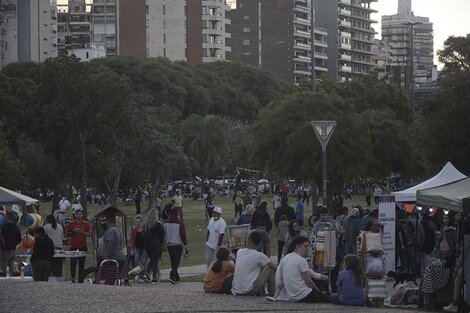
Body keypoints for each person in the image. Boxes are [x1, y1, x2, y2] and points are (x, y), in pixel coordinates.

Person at [275, 236, 330, 303]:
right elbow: (309, 282)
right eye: (306, 246)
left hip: (290, 295)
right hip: (302, 295)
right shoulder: (301, 260)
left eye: (308, 246)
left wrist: (275, 297)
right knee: (331, 299)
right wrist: (319, 293)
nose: (308, 249)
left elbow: (281, 282)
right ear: (297, 247)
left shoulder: (285, 258)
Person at [231, 231, 277, 296]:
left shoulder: (240, 251)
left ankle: (262, 291)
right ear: (260, 243)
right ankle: (273, 294)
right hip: (248, 290)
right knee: (270, 269)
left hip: (236, 289)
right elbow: (274, 267)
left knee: (259, 266)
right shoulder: (259, 255)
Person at [65, 209, 91, 282]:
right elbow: (67, 234)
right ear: (74, 215)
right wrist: (73, 232)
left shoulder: (86, 224)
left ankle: (80, 278)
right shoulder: (71, 224)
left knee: (81, 263)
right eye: (77, 214)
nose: (78, 215)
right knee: (73, 263)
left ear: (82, 215)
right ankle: (73, 278)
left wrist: (82, 232)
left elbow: (90, 234)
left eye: (80, 214)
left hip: (82, 246)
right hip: (73, 246)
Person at [163, 208, 188, 284]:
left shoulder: (165, 224)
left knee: (173, 260)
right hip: (177, 244)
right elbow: (183, 235)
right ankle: (172, 276)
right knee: (176, 261)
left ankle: (176, 276)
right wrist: (185, 245)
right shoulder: (180, 224)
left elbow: (164, 234)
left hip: (169, 244)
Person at [143, 208, 164, 282]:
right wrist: (162, 245)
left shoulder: (146, 224)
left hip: (148, 245)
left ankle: (147, 274)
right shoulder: (158, 224)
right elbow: (161, 236)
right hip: (156, 243)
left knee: (152, 259)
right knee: (154, 260)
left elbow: (144, 235)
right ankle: (154, 276)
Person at [0, 211, 21, 276]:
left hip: (4, 250)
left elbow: (1, 239)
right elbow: (19, 239)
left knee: (3, 269)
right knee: (12, 269)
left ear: (7, 218)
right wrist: (14, 244)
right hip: (13, 250)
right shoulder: (16, 228)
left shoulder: (4, 228)